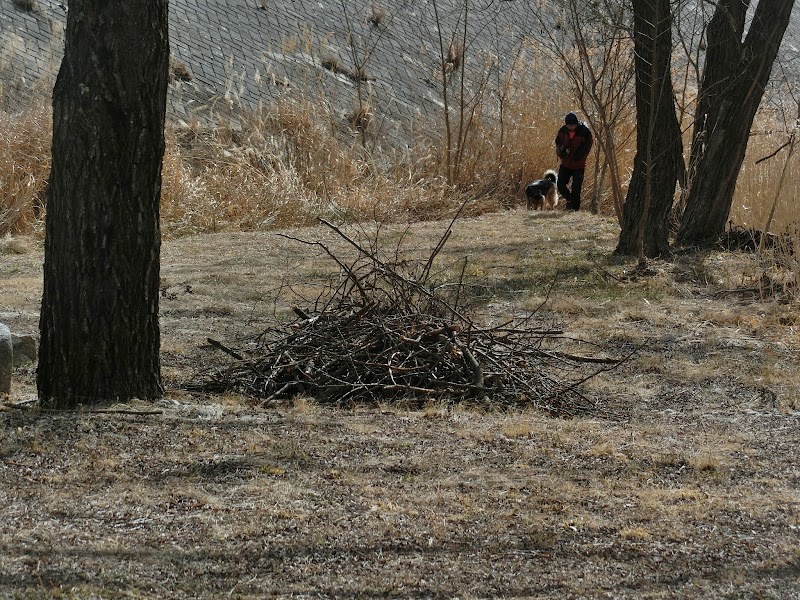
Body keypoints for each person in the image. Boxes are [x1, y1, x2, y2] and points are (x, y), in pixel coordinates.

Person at [554, 112, 593, 211]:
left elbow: (588, 146)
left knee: (576, 188)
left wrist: (579, 155)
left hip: (578, 165)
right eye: (569, 125)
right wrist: (560, 150)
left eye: (572, 125)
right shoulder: (563, 131)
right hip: (565, 163)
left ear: (576, 123)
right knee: (560, 184)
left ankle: (574, 210)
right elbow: (558, 141)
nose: (570, 127)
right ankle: (570, 200)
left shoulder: (585, 132)